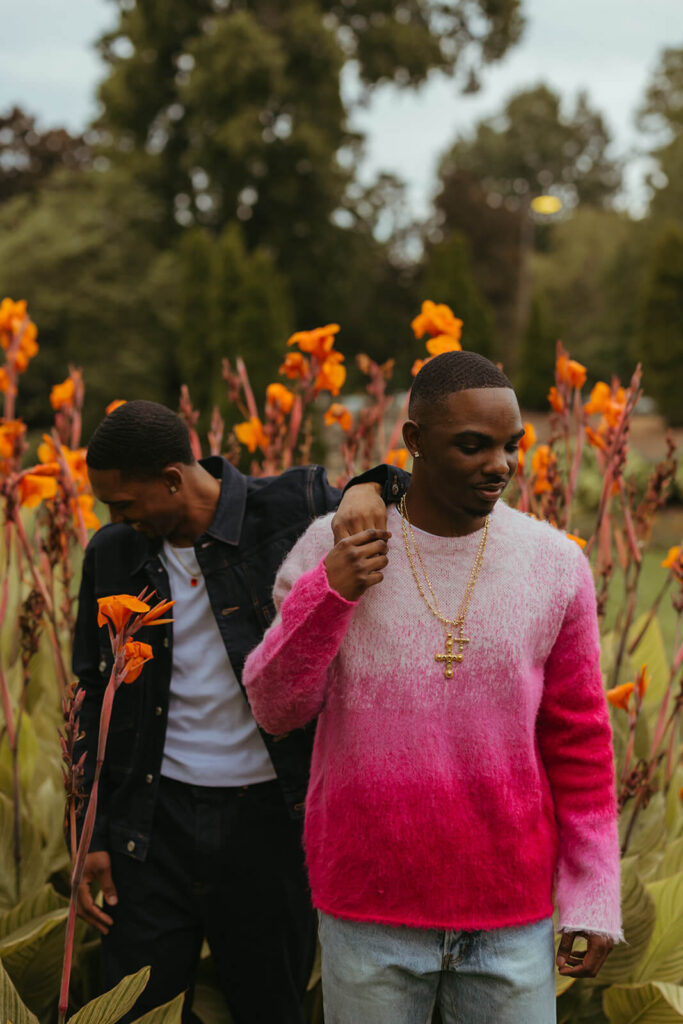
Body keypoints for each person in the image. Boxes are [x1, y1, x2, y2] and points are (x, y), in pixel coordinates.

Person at [243, 351, 623, 1024]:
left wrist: (593, 896)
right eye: (471, 446)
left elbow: (580, 742)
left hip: (511, 915)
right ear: (413, 441)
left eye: (510, 446)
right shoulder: (331, 548)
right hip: (368, 908)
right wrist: (331, 591)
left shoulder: (555, 565)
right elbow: (276, 708)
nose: (499, 465)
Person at [73, 399, 408, 1024]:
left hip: (270, 824)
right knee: (131, 1013)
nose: (115, 519)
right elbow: (92, 693)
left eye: (124, 503)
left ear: (173, 478)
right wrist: (91, 834)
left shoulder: (292, 507)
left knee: (269, 1008)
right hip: (151, 826)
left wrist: (371, 483)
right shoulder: (114, 553)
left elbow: (419, 496)